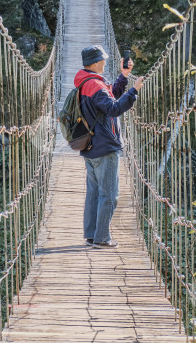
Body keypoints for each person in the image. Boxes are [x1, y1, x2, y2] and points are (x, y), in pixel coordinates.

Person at [74, 45, 144, 249]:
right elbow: (113, 108)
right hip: (105, 147)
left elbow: (109, 96)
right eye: (103, 59)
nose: (105, 62)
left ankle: (91, 234)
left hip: (90, 146)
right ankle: (102, 238)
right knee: (110, 195)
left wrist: (124, 77)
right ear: (95, 63)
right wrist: (134, 90)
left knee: (94, 193)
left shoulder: (85, 82)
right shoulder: (95, 85)